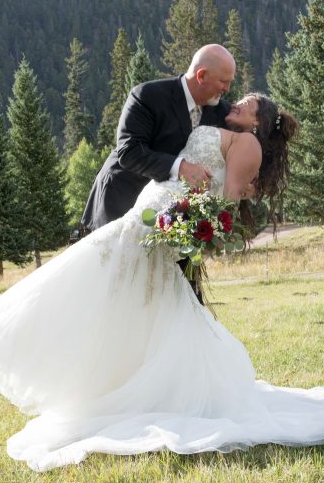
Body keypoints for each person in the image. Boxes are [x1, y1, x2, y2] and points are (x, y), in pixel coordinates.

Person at [0, 93, 324, 472]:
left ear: (257, 121)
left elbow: (227, 198)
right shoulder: (229, 130)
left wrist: (189, 222)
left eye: (247, 104)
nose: (236, 102)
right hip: (154, 210)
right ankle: (116, 379)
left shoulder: (247, 144)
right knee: (132, 294)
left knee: (97, 270)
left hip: (165, 217)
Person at [83, 44, 235, 303]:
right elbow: (129, 152)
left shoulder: (219, 110)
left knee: (184, 293)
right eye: (223, 81)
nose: (227, 89)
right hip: (123, 198)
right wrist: (181, 167)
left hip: (178, 214)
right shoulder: (147, 95)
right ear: (201, 76)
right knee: (120, 288)